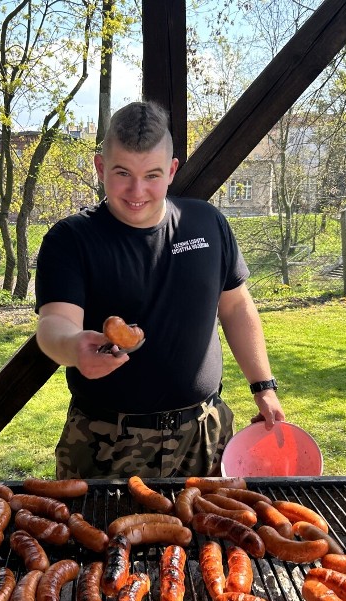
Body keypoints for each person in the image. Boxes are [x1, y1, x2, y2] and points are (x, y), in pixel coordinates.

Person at [34, 101, 285, 479]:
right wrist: (72, 348)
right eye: (122, 173)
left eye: (152, 175)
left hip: (205, 432)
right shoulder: (71, 239)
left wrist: (263, 386)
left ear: (171, 170)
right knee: (96, 539)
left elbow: (235, 308)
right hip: (105, 440)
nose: (137, 191)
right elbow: (54, 323)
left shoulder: (207, 222)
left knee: (211, 537)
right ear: (101, 167)